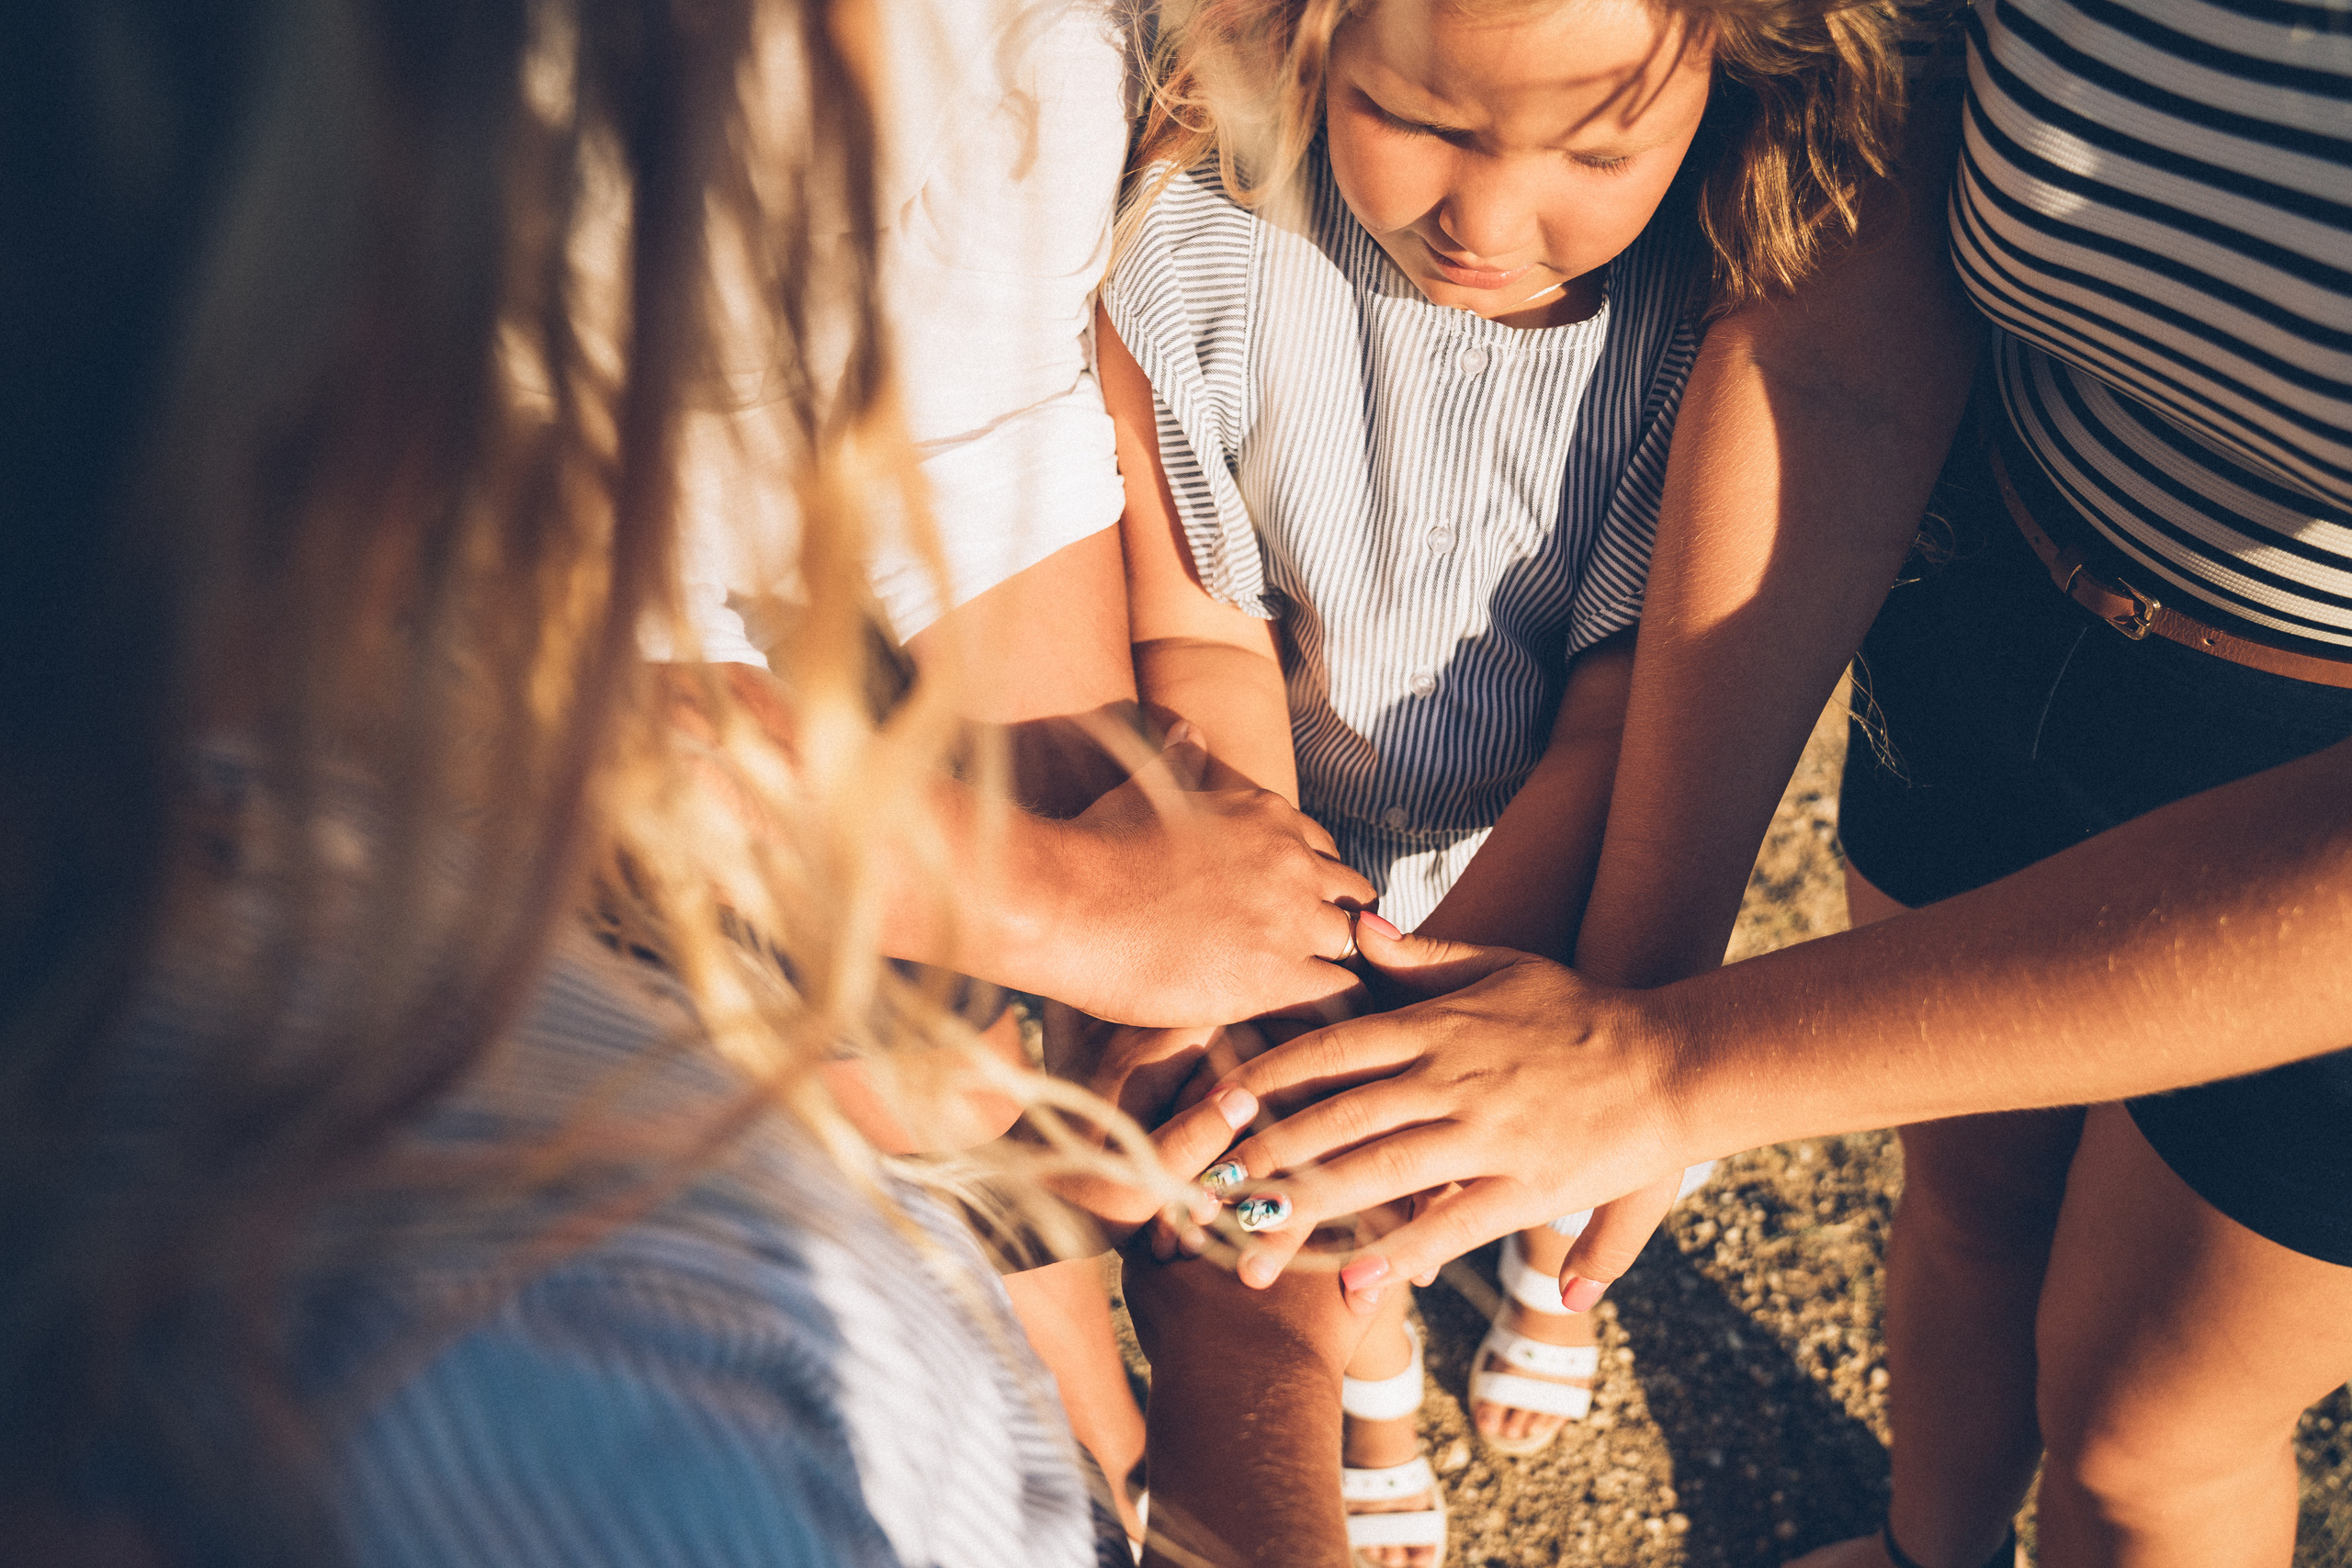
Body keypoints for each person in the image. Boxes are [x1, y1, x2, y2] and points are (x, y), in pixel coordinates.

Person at [0, 2, 1375, 1564]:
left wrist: (1108, 918)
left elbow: (980, 425)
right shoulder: (617, 1410)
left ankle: (1092, 1420)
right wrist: (1256, 1360)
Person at [1181, 0, 2352, 1564]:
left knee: (2148, 1440)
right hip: (1997, 619)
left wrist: (1668, 1065)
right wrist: (1634, 985)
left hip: (2317, 794)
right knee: (1968, 1212)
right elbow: (1838, 352)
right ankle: (1925, 1552)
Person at [1099, 0, 1905, 1556]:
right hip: (1275, 832)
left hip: (1545, 853)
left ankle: (1554, 1279)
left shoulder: (1710, 321)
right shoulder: (1195, 245)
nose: (1485, 220)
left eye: (1594, 155)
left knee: (1541, 1118)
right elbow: (1203, 636)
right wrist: (1295, 988)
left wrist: (1394, 1029)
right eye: (1422, 123)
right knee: (1320, 1181)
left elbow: (1617, 730)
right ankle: (1374, 1379)